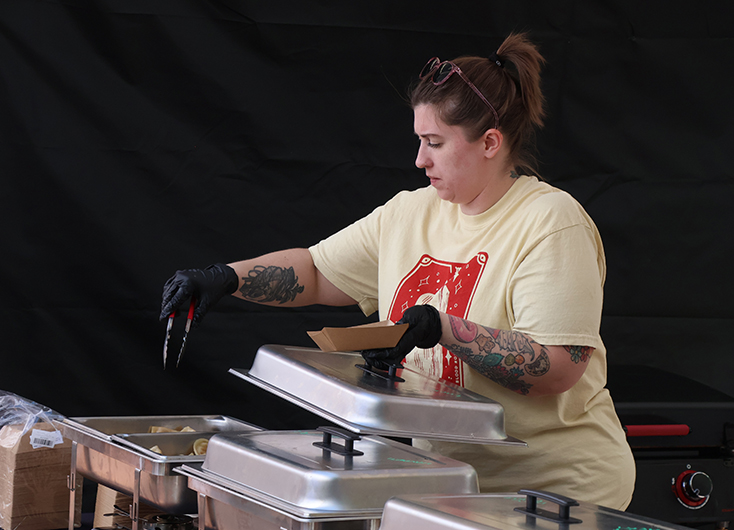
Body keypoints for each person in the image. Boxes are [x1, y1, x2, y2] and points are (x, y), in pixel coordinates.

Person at [160, 32, 636, 509]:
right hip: (453, 485)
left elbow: (556, 369)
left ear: (490, 142)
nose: (419, 159)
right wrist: (226, 278)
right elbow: (318, 271)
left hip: (557, 491)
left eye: (434, 143)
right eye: (419, 141)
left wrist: (441, 327)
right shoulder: (410, 213)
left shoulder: (551, 223)